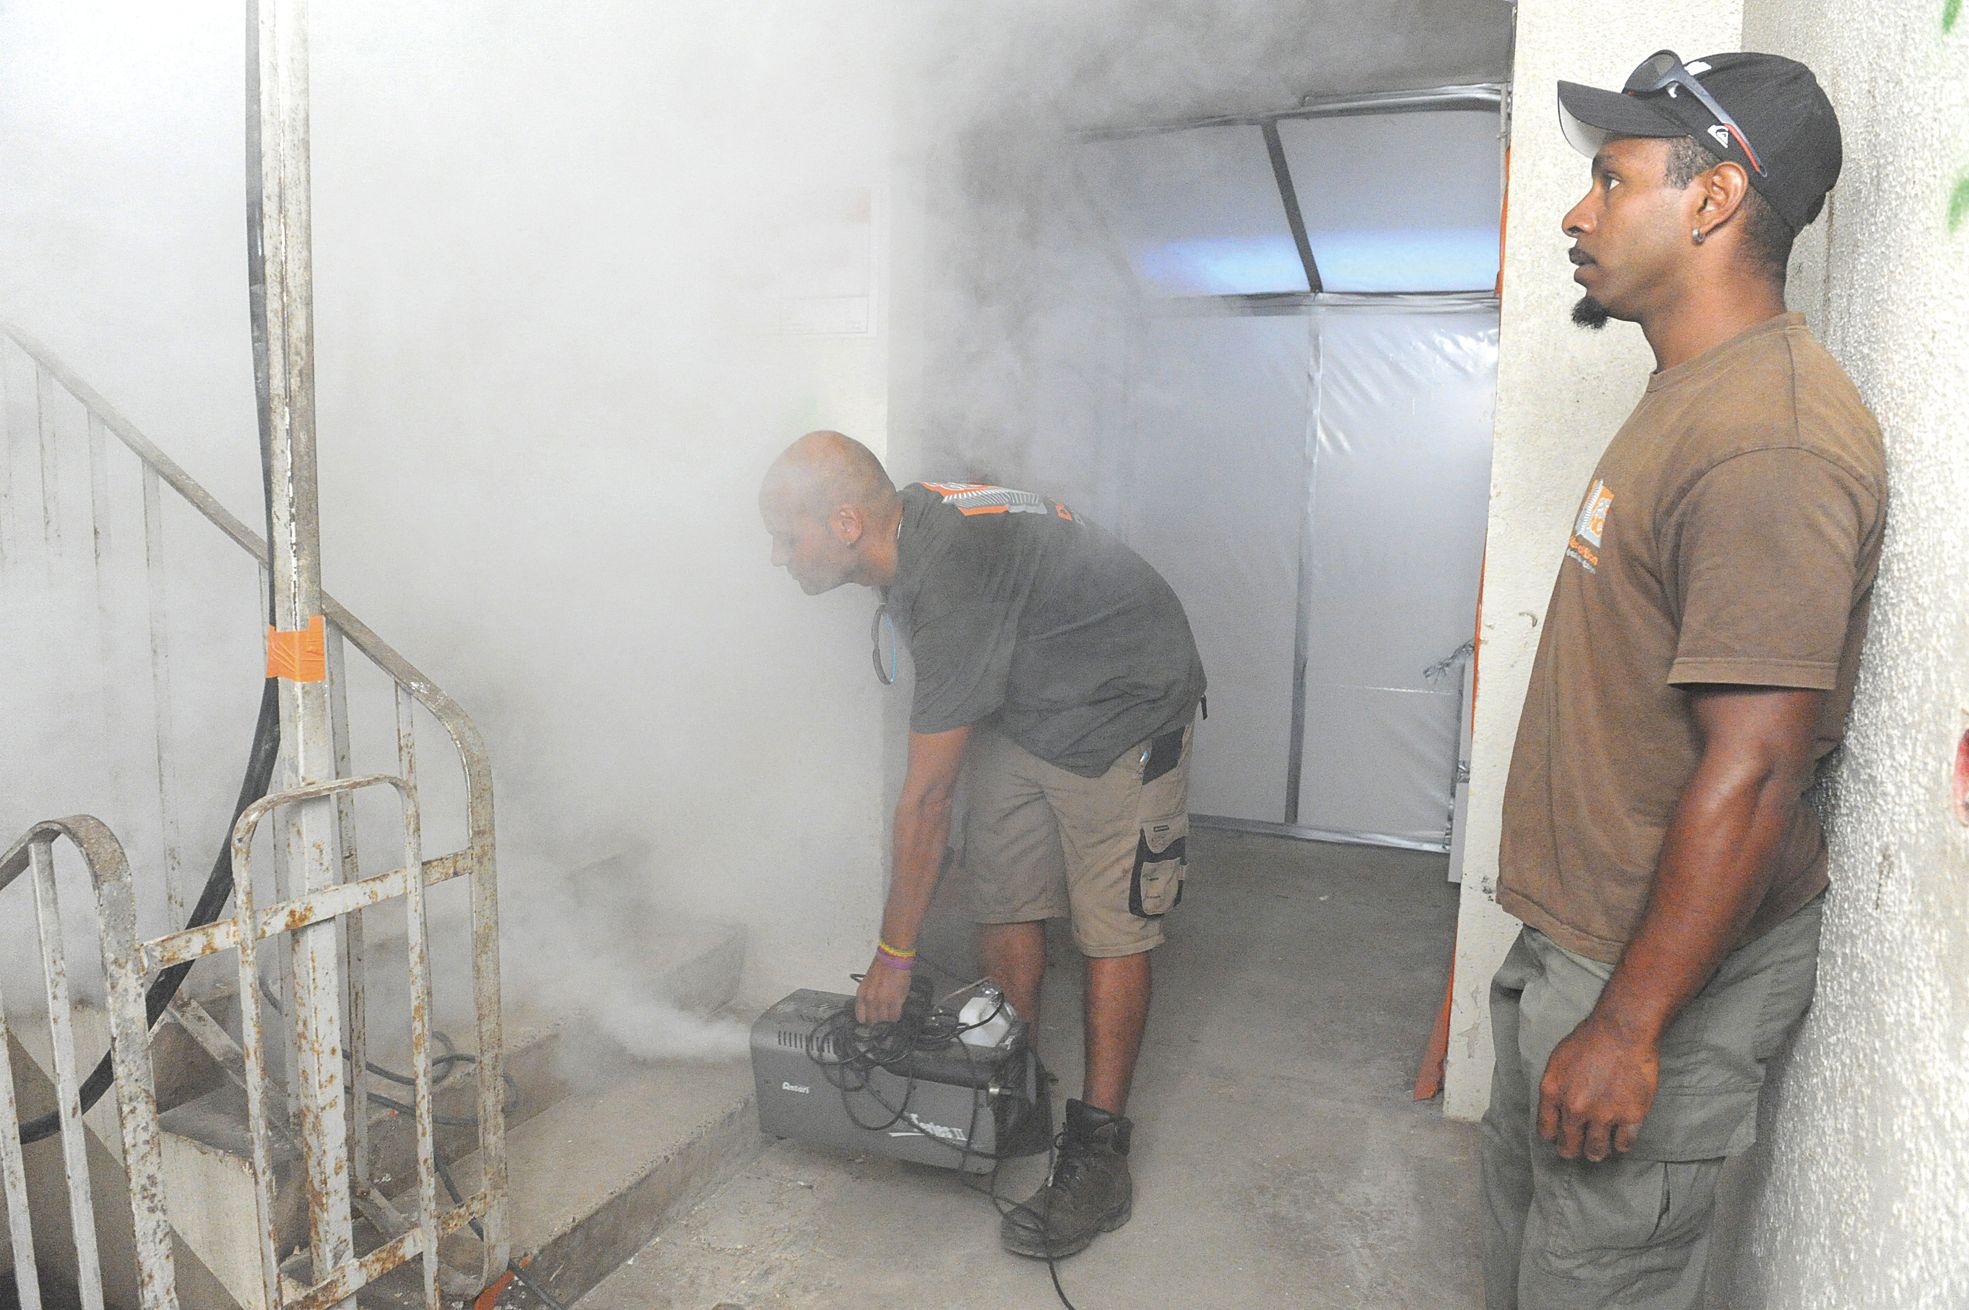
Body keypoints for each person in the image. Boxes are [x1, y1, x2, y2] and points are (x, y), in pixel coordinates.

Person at [1482, 51, 1887, 1309]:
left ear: (1710, 201)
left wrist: (1626, 1026)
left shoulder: (1768, 436)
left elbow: (1759, 762)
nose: (1574, 211)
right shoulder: (1694, 390)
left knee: (1592, 1276)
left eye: (1610, 180)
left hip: (1647, 980)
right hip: (1584, 940)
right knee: (1523, 1256)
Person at [759, 431, 1206, 1259]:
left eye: (788, 537)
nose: (776, 556)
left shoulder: (950, 576)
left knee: (1110, 927)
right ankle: (1013, 1093)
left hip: (1124, 704)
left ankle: (1099, 1156)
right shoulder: (905, 540)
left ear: (849, 523)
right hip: (1030, 702)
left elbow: (925, 800)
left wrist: (895, 954)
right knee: (1004, 894)